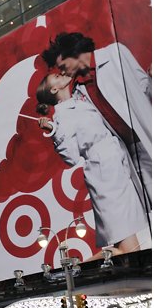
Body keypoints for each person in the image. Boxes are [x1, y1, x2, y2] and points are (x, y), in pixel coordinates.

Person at [36, 72, 147, 253]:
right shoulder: (61, 116)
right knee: (128, 246)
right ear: (55, 89)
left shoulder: (80, 98)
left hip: (118, 163)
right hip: (104, 176)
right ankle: (72, 270)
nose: (61, 73)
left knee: (129, 244)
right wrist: (54, 132)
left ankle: (73, 270)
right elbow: (71, 158)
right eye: (56, 76)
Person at [42, 32, 152, 207]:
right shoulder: (79, 91)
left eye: (62, 65)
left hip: (148, 134)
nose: (61, 71)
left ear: (74, 53)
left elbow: (145, 89)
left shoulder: (115, 53)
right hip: (130, 153)